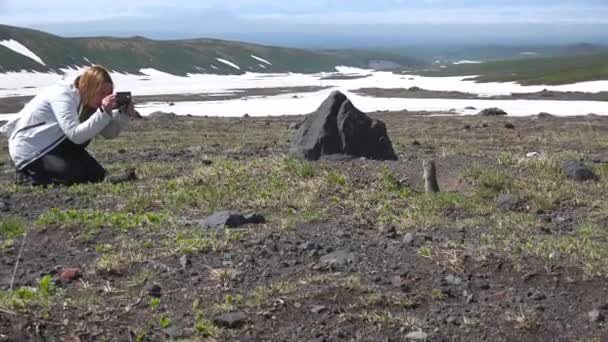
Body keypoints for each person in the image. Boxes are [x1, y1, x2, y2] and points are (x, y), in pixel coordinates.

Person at [0, 65, 137, 186]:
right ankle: (27, 175)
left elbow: (108, 133)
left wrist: (123, 115)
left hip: (56, 144)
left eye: (108, 94)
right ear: (89, 88)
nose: (104, 98)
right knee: (71, 177)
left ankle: (52, 170)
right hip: (31, 147)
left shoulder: (89, 101)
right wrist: (102, 112)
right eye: (101, 93)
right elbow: (76, 135)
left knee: (96, 174)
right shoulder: (63, 95)